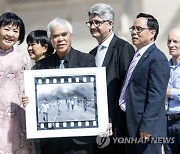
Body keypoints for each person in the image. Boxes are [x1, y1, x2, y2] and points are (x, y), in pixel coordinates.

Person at [34, 18, 96, 154]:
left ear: (71, 36)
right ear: (50, 40)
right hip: (51, 141)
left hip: (80, 141)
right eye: (55, 36)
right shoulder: (40, 66)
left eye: (64, 34)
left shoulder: (87, 60)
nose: (60, 39)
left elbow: (95, 93)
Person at [117, 13, 170, 154]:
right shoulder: (137, 56)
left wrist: (146, 126)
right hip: (131, 124)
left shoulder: (157, 58)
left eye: (139, 29)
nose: (134, 32)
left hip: (146, 130)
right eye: (132, 28)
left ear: (152, 33)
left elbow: (156, 96)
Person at [87, 3, 135, 153]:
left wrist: (114, 121)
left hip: (116, 126)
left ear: (110, 24)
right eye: (90, 22)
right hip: (96, 126)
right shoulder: (91, 54)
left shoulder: (123, 48)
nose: (93, 26)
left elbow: (128, 88)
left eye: (97, 22)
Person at [0, 12, 35, 153]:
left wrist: (30, 99)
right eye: (6, 29)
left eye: (15, 31)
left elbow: (30, 87)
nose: (11, 34)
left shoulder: (23, 58)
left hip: (19, 116)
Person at [164, 28, 180, 154]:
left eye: (175, 41)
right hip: (167, 122)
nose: (171, 45)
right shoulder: (165, 66)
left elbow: (166, 91)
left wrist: (171, 92)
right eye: (169, 41)